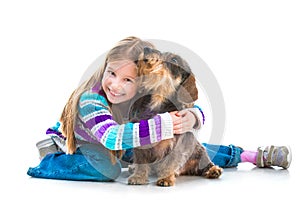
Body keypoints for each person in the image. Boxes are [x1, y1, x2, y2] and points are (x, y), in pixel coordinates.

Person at [27, 36, 292, 182]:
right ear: (104, 68)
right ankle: (51, 157)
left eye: (128, 80)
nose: (116, 85)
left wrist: (191, 118)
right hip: (92, 144)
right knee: (109, 170)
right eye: (111, 73)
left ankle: (250, 156)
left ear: (141, 82)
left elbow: (183, 104)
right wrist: (165, 125)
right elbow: (110, 137)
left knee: (183, 145)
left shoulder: (141, 94)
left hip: (123, 142)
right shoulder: (91, 99)